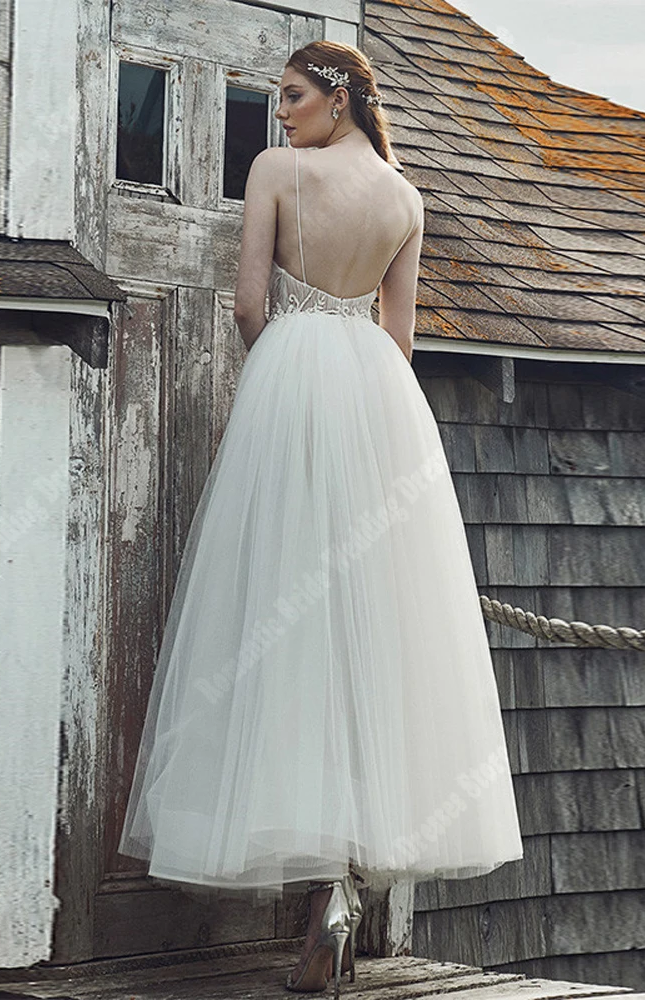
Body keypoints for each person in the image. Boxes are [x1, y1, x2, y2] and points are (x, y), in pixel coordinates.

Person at [117, 39, 523, 998]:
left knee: (278, 621)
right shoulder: (404, 196)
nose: (282, 114)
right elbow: (402, 334)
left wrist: (286, 368)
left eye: (293, 97)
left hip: (294, 381)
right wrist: (353, 378)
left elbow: (249, 304)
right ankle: (336, 891)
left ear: (336, 100)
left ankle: (318, 878)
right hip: (381, 400)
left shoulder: (278, 173)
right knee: (372, 627)